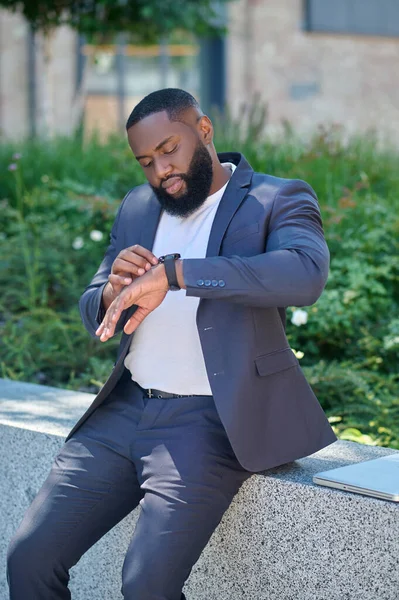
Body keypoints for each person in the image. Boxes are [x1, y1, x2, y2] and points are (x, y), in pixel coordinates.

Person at [7, 88, 337, 600]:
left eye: (169, 149)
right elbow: (93, 299)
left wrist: (177, 274)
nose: (160, 170)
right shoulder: (138, 207)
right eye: (146, 161)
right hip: (124, 410)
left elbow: (304, 274)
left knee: (145, 586)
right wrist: (111, 291)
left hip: (208, 423)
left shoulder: (276, 198)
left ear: (203, 131)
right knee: (29, 557)